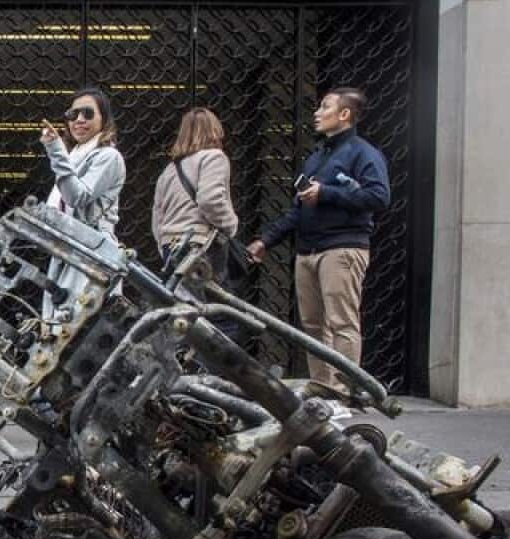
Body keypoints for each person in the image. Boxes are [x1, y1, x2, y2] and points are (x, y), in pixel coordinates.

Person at [248, 87, 389, 393]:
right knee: (312, 324)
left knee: (341, 322)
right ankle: (322, 383)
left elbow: (379, 196)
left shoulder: (363, 153)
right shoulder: (317, 157)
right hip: (308, 250)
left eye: (325, 107)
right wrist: (266, 241)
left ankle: (345, 387)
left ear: (345, 115)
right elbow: (298, 210)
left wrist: (327, 193)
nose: (317, 112)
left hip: (342, 248)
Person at [39, 87, 126, 321]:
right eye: (73, 114)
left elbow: (77, 197)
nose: (79, 119)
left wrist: (56, 152)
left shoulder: (108, 156)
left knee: (75, 328)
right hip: (70, 251)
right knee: (58, 329)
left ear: (104, 119)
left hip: (92, 253)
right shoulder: (74, 156)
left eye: (87, 113)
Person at [151, 107, 239, 282]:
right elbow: (210, 200)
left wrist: (164, 246)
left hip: (171, 247)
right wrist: (231, 225)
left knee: (180, 305)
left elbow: (157, 215)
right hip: (199, 246)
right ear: (215, 129)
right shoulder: (214, 157)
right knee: (212, 306)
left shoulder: (169, 170)